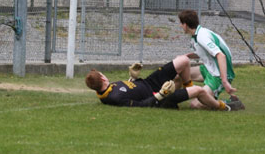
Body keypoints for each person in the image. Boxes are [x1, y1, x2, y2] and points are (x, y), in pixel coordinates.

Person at [85, 55, 243, 111]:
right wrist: (161, 95)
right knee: (199, 91)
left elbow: (129, 89)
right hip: (159, 97)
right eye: (101, 73)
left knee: (183, 61)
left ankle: (188, 91)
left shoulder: (105, 90)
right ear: (103, 78)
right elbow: (141, 105)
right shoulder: (114, 98)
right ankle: (224, 107)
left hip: (149, 82)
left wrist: (132, 77)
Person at [178, 10, 241, 109]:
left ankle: (230, 105)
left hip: (218, 75)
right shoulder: (197, 35)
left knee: (195, 105)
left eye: (181, 23)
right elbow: (205, 53)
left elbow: (221, 55)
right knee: (180, 73)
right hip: (209, 69)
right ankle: (170, 102)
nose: (180, 26)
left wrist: (224, 81)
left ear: (185, 25)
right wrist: (186, 56)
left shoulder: (202, 37)